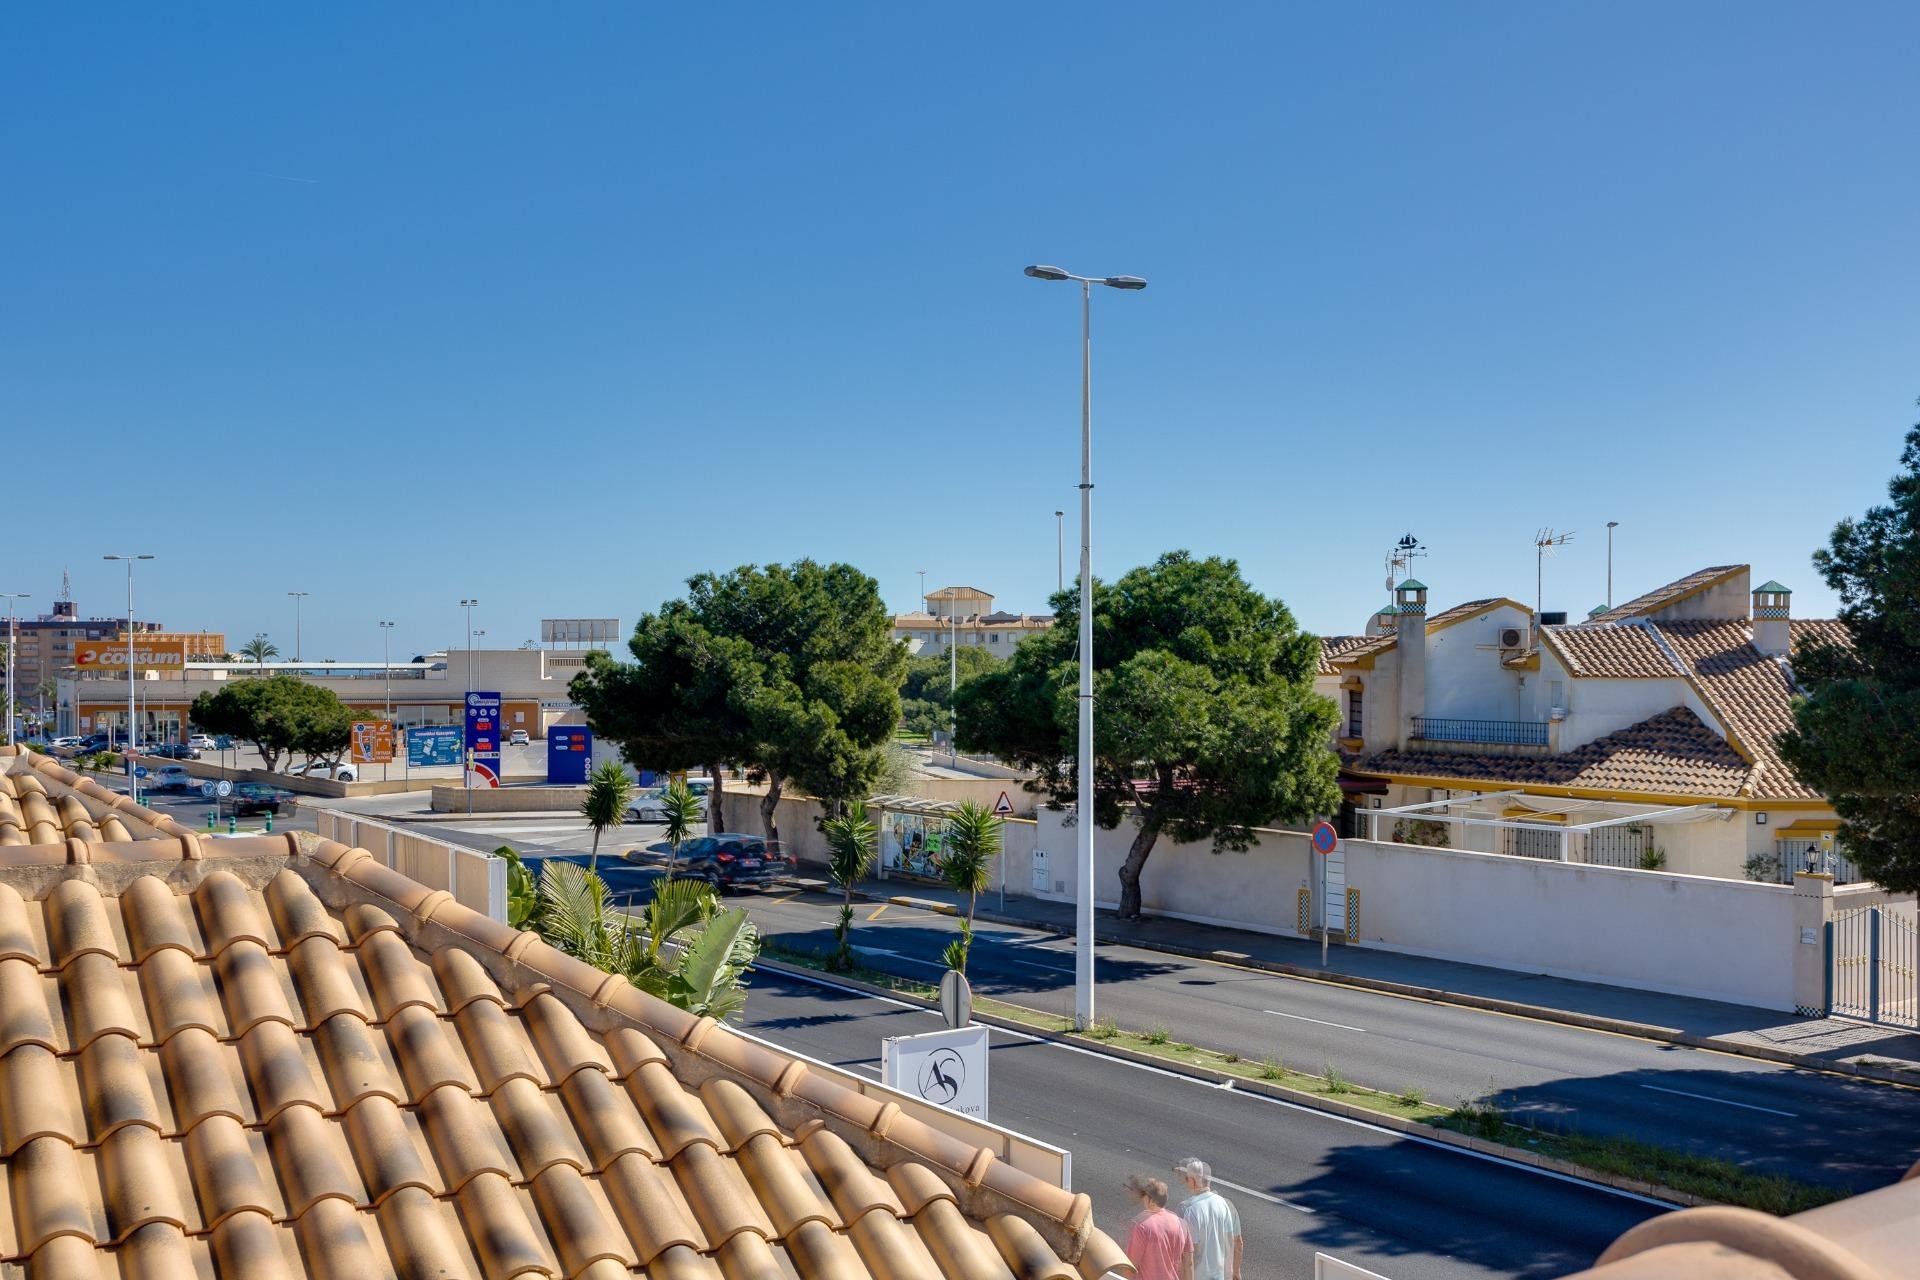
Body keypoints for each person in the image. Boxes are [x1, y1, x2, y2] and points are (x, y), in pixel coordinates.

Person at [1173, 1158, 1243, 1280]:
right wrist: (1235, 1273)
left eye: (1186, 1178)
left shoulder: (1190, 1209)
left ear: (1192, 1181)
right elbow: (1237, 1242)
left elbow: (1188, 1255)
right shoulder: (1224, 1204)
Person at [1123, 1174, 1193, 1280]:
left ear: (1151, 1200)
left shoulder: (1142, 1226)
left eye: (1144, 1196)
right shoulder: (1182, 1224)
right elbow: (1188, 1263)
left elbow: (1130, 1267)